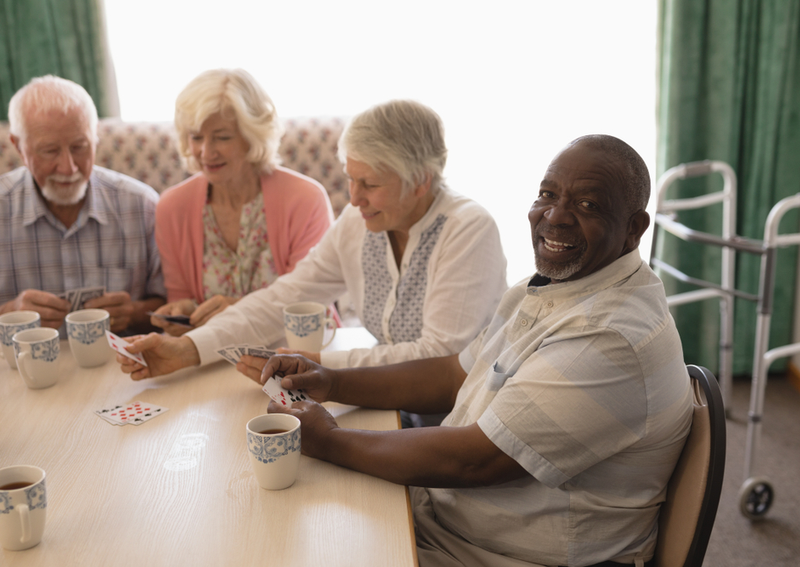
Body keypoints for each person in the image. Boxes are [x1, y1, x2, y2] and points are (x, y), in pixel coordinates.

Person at [237, 135, 694, 566]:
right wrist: (332, 379)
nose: (555, 216)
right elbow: (454, 375)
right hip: (451, 522)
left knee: (285, 543)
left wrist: (330, 439)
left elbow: (477, 459)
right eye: (547, 195)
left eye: (587, 204)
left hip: (506, 556)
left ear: (634, 229)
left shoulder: (610, 335)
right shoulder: (554, 286)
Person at [116, 100, 507, 383]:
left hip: (462, 407)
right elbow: (281, 298)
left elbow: (438, 357)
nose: (353, 199)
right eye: (350, 179)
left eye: (370, 184)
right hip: (394, 398)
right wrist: (188, 350)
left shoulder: (468, 229)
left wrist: (319, 366)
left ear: (421, 180)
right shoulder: (358, 222)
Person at [151, 69, 334, 334]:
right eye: (196, 137)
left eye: (222, 137)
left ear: (253, 136)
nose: (206, 152)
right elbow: (179, 297)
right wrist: (181, 312)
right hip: (210, 355)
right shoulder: (172, 207)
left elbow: (309, 305)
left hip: (297, 355)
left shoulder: (305, 200)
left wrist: (239, 311)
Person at [0, 75, 165, 334]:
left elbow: (174, 306)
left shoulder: (142, 206)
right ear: (19, 147)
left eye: (79, 147)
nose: (69, 168)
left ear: (95, 138)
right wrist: (8, 313)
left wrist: (133, 314)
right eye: (50, 151)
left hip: (122, 368)